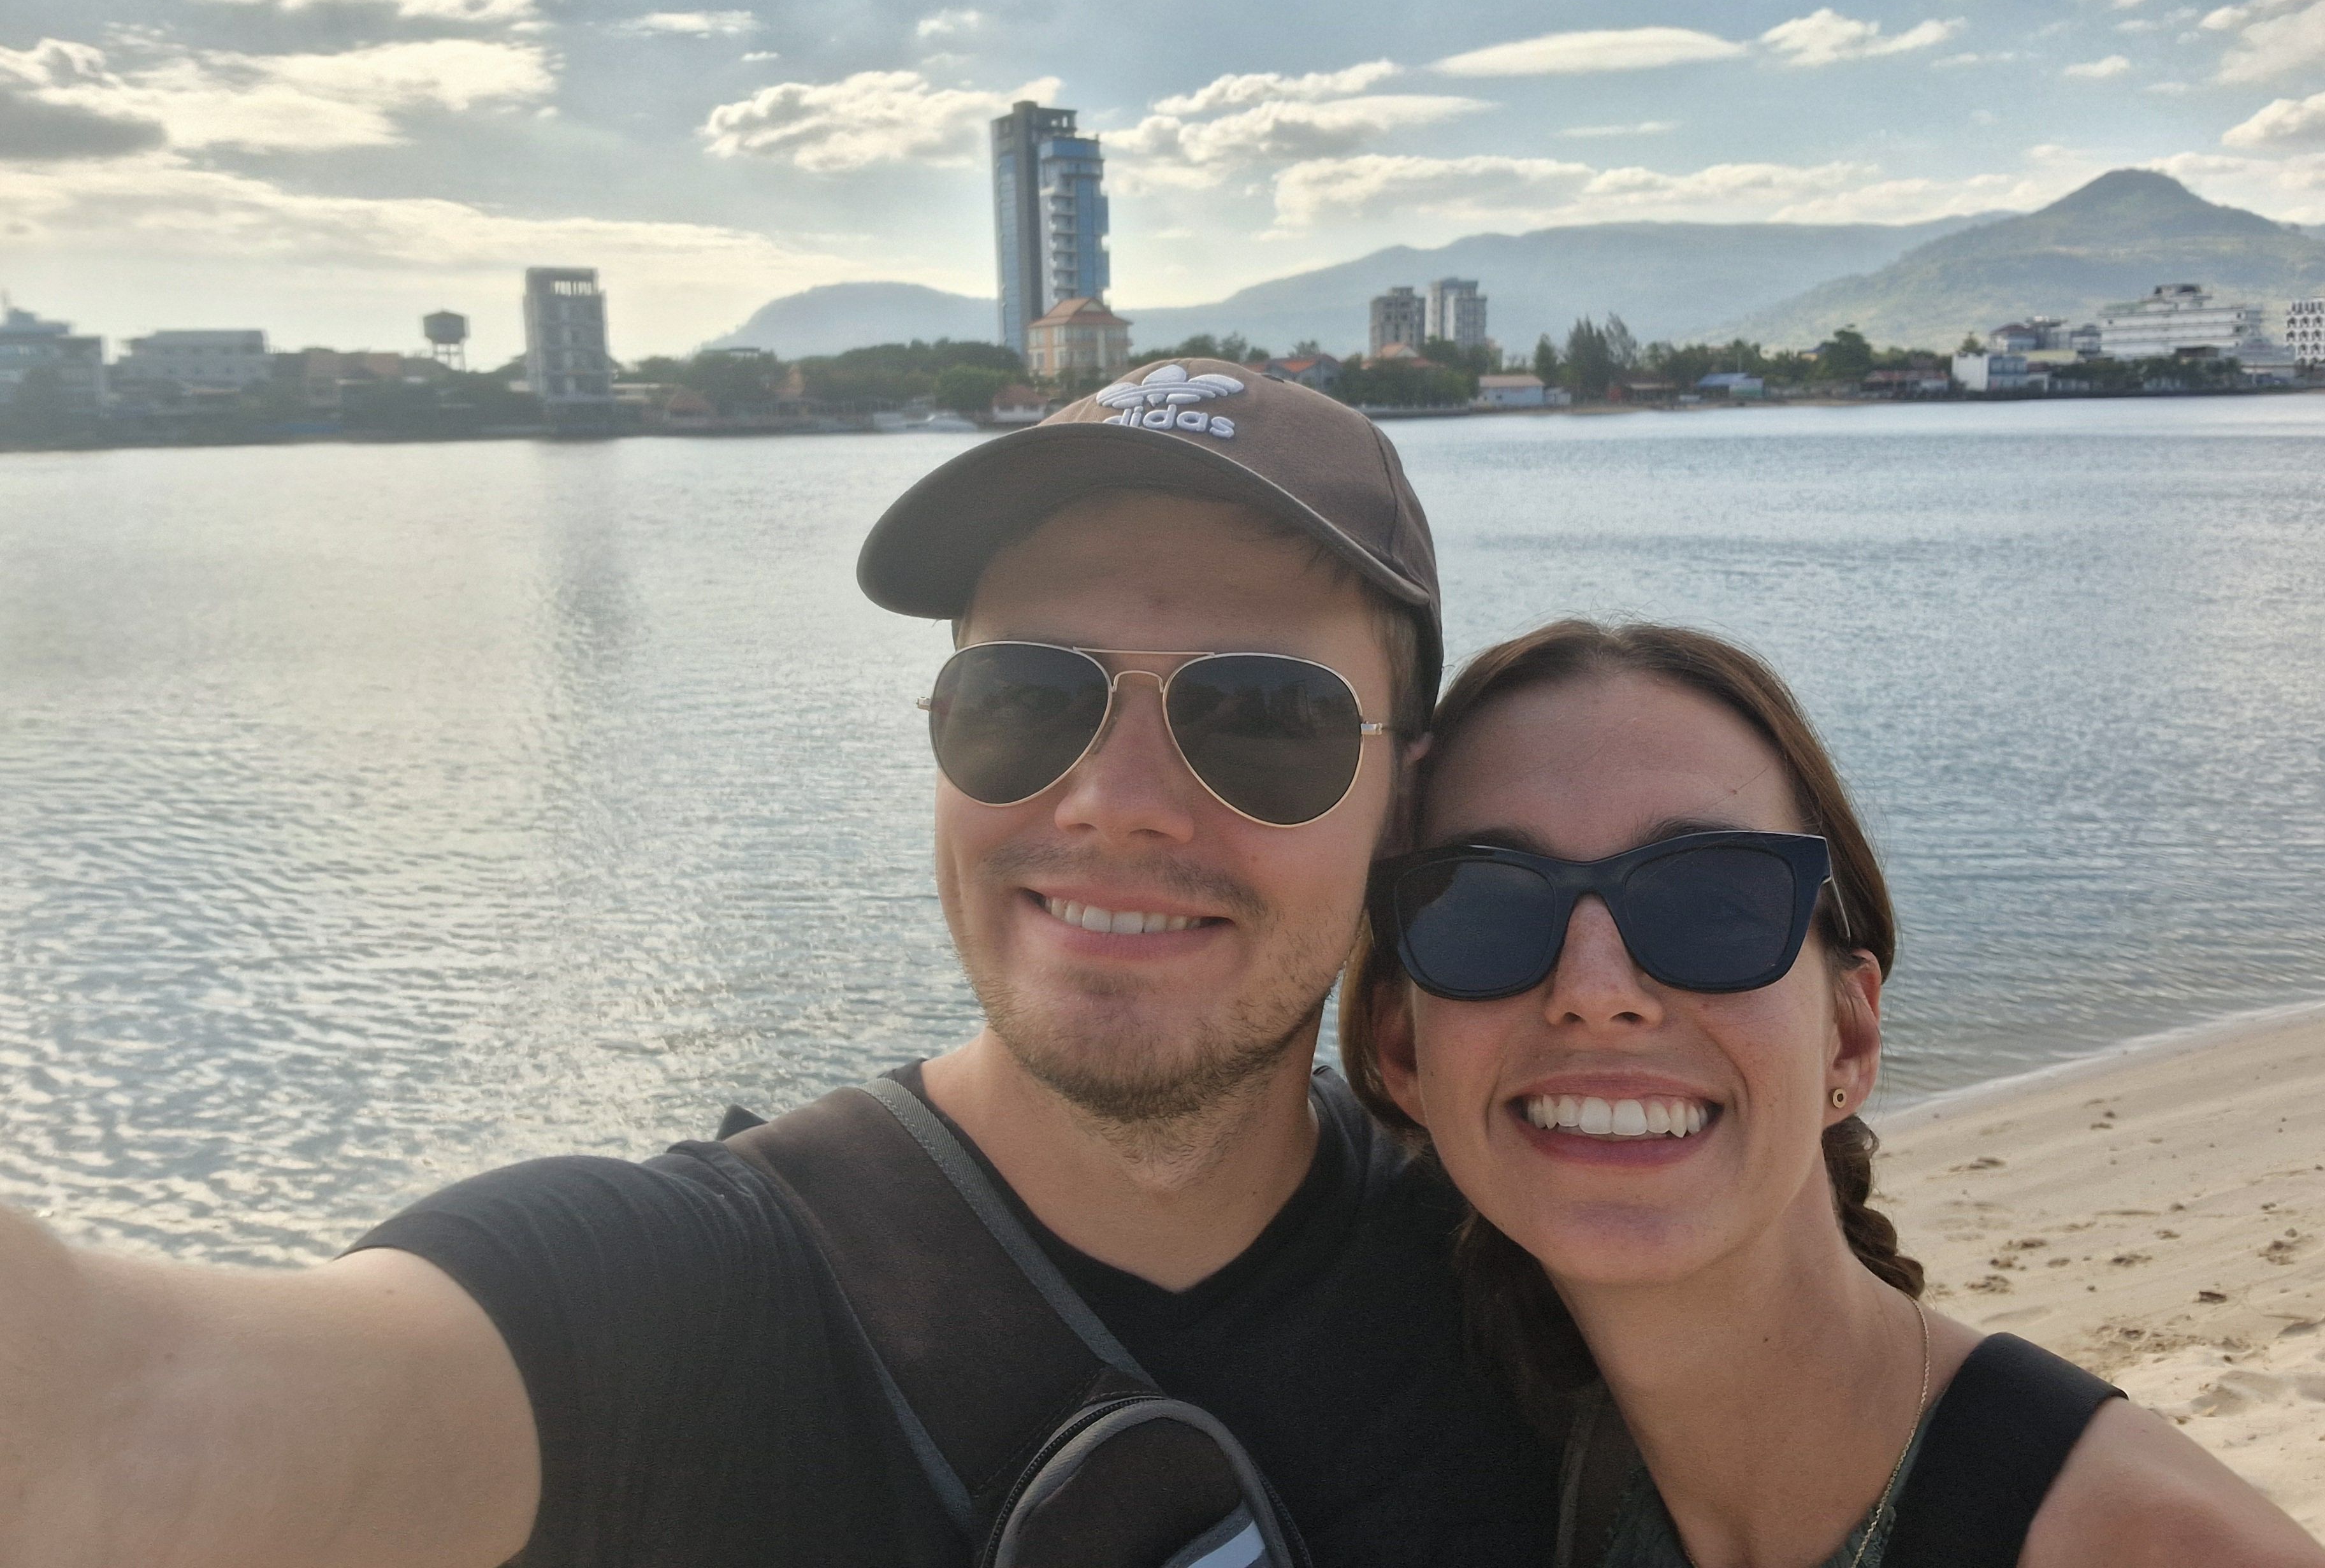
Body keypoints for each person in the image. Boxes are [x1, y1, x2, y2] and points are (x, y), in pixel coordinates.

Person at [0, 361, 1560, 1567]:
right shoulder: (668, 1315)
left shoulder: (1523, 1278)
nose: (1113, 803)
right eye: (1027, 698)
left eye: (1263, 717)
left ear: (1404, 797)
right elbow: (114, 1424)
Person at [1340, 618, 2324, 1568]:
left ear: (1848, 1038)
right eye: (1484, 904)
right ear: (1400, 1049)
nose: (1595, 991)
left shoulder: (2156, 1547)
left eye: (1713, 901)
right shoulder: (1525, 1470)